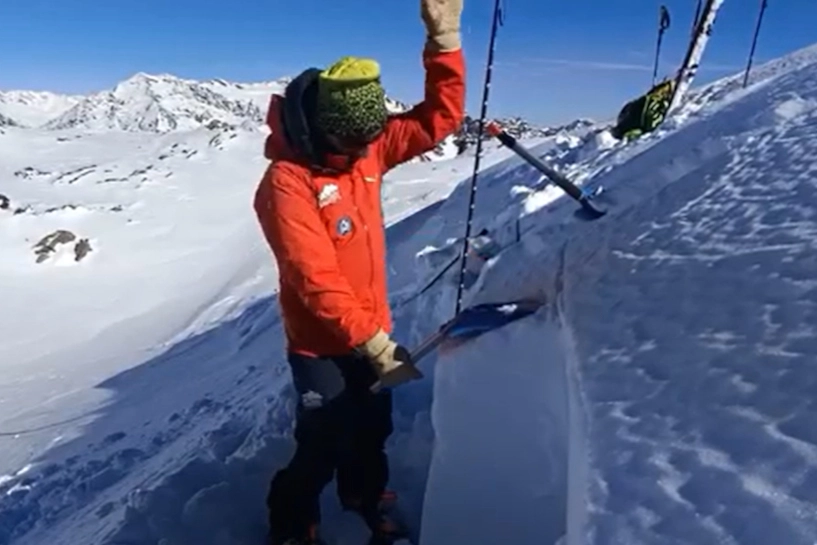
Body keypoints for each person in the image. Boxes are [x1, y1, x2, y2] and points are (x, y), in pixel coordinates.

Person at [252, 0, 465, 543]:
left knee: (372, 431)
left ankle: (365, 497)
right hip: (320, 343)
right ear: (321, 129)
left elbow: (438, 120)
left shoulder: (365, 147)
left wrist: (444, 41)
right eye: (351, 144)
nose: (363, 154)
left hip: (372, 328)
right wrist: (373, 344)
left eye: (368, 142)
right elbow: (314, 279)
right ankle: (292, 521)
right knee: (321, 439)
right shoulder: (286, 184)